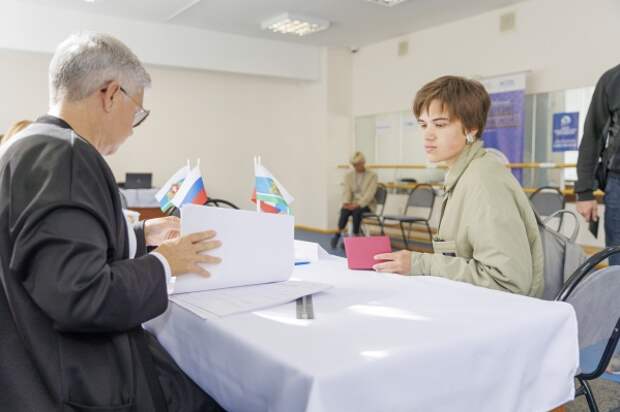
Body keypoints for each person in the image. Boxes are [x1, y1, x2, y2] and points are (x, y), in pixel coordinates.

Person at [0, 33, 224, 411]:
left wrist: (141, 235)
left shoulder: (24, 147)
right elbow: (81, 295)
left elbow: (52, 251)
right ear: (111, 94)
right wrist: (165, 263)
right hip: (71, 382)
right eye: (137, 112)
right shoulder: (68, 156)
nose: (133, 128)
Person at [373, 76, 544, 298]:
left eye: (440, 124)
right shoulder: (463, 174)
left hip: (501, 313)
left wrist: (420, 264)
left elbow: (507, 281)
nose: (428, 135)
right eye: (423, 125)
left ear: (471, 129)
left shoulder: (483, 181)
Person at [575, 64, 620, 265]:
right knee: (618, 264)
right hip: (618, 184)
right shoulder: (613, 80)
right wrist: (585, 191)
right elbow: (592, 136)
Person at [330, 152, 378, 248]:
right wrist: (346, 203)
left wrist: (358, 204)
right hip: (352, 203)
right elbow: (346, 191)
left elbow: (370, 194)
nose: (356, 167)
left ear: (363, 162)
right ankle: (338, 233)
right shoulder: (349, 175)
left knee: (357, 211)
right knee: (344, 209)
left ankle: (354, 237)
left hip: (367, 204)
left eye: (358, 164)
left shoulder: (373, 175)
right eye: (354, 165)